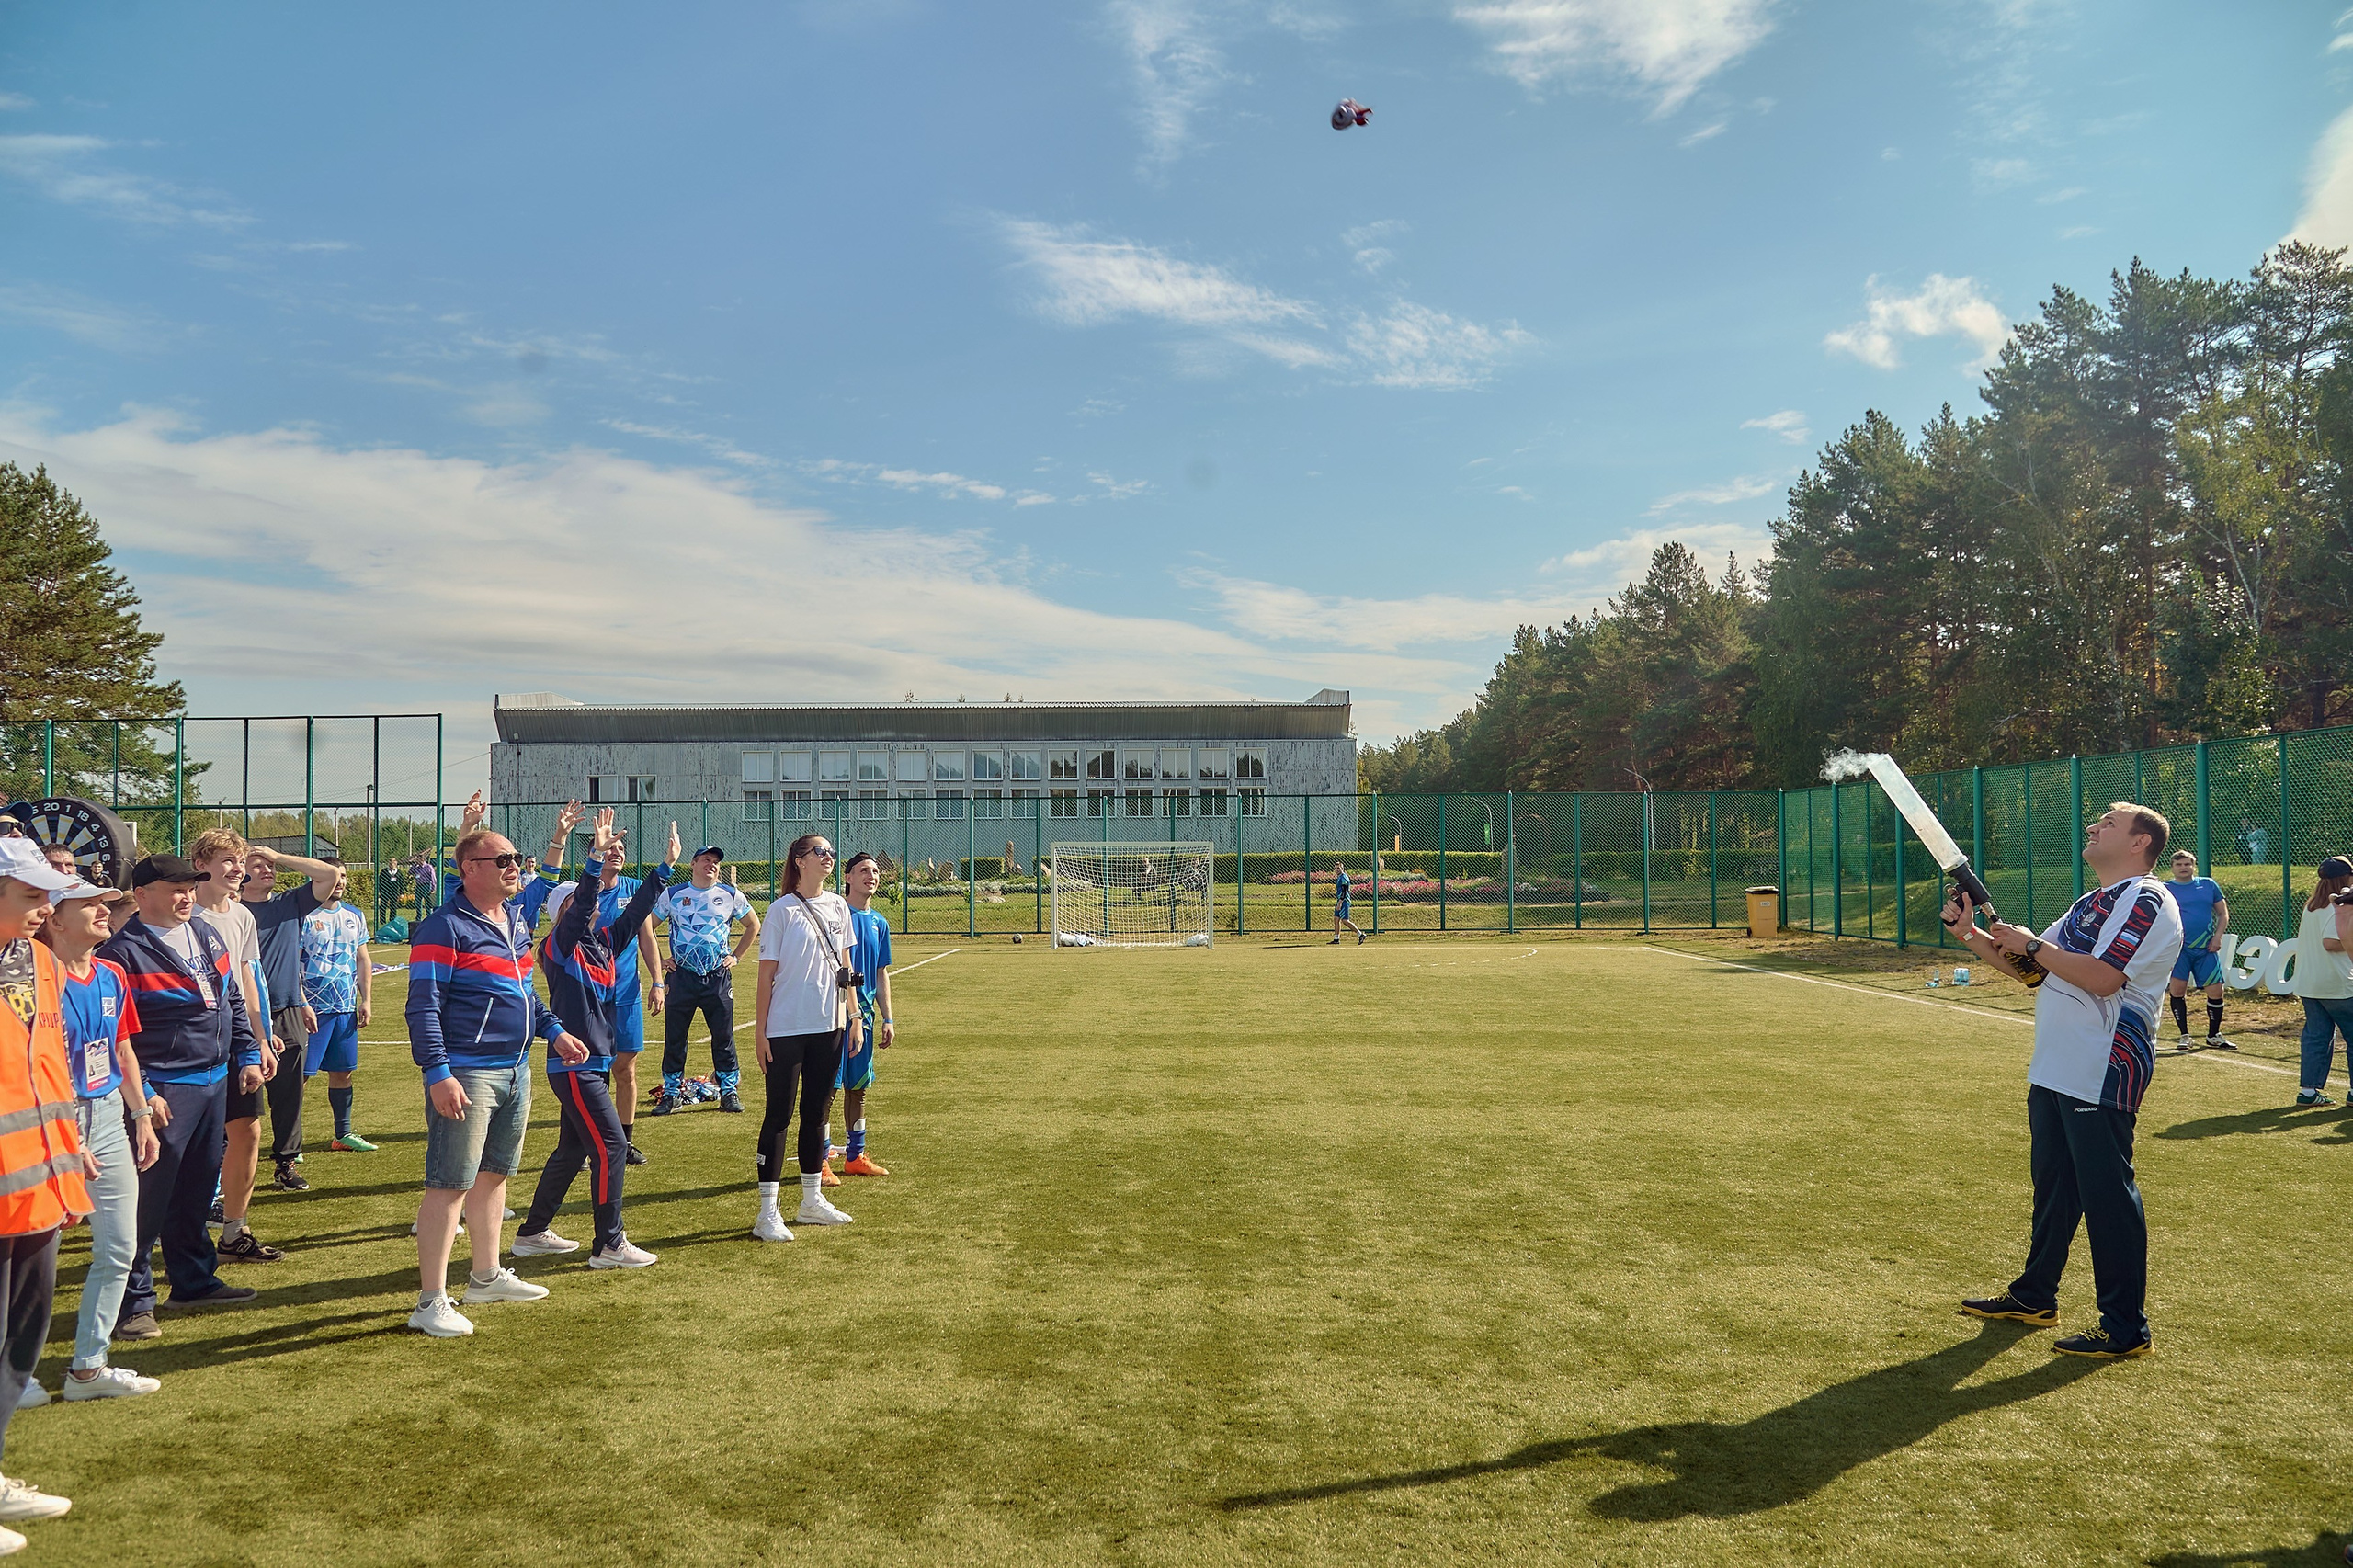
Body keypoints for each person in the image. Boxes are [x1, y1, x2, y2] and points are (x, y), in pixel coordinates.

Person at [1946, 802, 2182, 1360]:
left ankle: (2125, 1328)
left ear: (2138, 844)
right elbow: (2034, 972)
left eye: (2109, 823)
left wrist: (2032, 943)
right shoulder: (2091, 902)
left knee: (2107, 1197)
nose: (2094, 826)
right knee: (2055, 1189)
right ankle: (2035, 1296)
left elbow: (2102, 979)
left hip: (2103, 1065)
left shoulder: (2147, 899)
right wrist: (1974, 936)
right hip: (2057, 1063)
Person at [405, 824, 586, 1338]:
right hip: (467, 1069)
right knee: (450, 1184)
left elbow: (524, 990)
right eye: (503, 859)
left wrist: (552, 1030)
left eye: (516, 857)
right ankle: (430, 1300)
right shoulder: (444, 927)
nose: (514, 866)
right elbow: (423, 1005)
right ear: (468, 869)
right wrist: (438, 1072)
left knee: (494, 1175)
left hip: (515, 1067)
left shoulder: (513, 920)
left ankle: (485, 1276)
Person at [97, 855, 263, 1339]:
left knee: (194, 1192)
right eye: (175, 888)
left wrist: (248, 1052)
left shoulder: (207, 934)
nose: (187, 896)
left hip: (213, 1082)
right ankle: (133, 1303)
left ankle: (192, 1281)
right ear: (142, 894)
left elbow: (230, 997)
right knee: (145, 1202)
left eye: (190, 887)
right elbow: (115, 1036)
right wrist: (143, 1091)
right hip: (164, 1088)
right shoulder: (120, 953)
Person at [514, 812, 674, 1269]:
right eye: (582, 904)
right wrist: (591, 861)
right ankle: (609, 1244)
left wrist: (664, 868)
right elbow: (582, 903)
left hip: (593, 1064)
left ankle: (531, 1232)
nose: (595, 905)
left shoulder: (601, 943)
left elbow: (637, 912)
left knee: (572, 1149)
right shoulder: (557, 947)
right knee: (611, 1146)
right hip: (574, 1065)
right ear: (563, 911)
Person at [28, 873, 160, 1404]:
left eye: (106, 904)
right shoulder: (34, 982)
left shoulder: (110, 973)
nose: (105, 912)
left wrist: (142, 1114)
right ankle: (13, 1374)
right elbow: (37, 1067)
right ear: (56, 921)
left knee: (120, 1246)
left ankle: (88, 1366)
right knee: (36, 1256)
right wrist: (67, 1133)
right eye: (90, 906)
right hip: (50, 1118)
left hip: (108, 1115)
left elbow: (123, 1049)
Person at [0, 839, 94, 1543]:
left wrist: (75, 1143)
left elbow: (48, 1063)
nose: (46, 906)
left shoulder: (40, 963)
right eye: (32, 894)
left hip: (41, 1182)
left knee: (22, 1337)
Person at [184, 829, 286, 1266]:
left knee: (247, 1129)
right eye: (227, 859)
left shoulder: (242, 916)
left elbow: (248, 981)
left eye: (240, 860)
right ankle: (172, 1231)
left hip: (236, 1039)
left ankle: (234, 1231)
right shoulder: (183, 914)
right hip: (189, 1044)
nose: (237, 868)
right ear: (200, 865)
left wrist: (259, 1040)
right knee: (187, 1142)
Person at [751, 834, 857, 1241]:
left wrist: (854, 1016)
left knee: (817, 1114)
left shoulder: (838, 907)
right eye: (821, 852)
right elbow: (766, 975)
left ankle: (811, 1201)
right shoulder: (780, 910)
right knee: (778, 1115)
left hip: (828, 1025)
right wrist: (760, 1032)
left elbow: (846, 966)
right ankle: (767, 1213)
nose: (829, 857)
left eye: (831, 852)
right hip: (785, 1028)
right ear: (799, 861)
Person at [237, 845, 344, 1190]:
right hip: (242, 1014)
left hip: (287, 1010)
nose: (268, 870)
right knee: (241, 1101)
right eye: (259, 865)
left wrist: (278, 856)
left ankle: (286, 1162)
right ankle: (225, 1177)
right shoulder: (230, 911)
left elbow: (329, 874)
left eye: (271, 866)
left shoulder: (288, 904)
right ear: (241, 873)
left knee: (288, 1095)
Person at [650, 845, 759, 1117]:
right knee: (675, 1037)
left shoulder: (730, 894)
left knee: (723, 1036)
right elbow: (647, 927)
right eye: (706, 860)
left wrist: (735, 956)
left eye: (716, 862)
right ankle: (671, 1093)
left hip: (717, 978)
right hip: (682, 977)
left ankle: (728, 1091)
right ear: (693, 864)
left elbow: (753, 925)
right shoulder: (673, 894)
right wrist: (661, 960)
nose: (711, 865)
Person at [299, 864, 376, 1149]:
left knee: (343, 1071)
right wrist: (302, 1002)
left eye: (343, 876)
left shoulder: (354, 915)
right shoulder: (303, 916)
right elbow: (292, 962)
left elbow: (362, 958)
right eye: (333, 876)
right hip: (311, 1010)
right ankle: (292, 1142)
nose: (339, 881)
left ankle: (342, 1135)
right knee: (301, 1077)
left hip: (344, 1008)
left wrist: (365, 999)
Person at [833, 853, 894, 1178]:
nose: (871, 875)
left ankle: (855, 1156)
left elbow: (880, 972)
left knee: (858, 1087)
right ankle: (821, 1160)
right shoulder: (835, 913)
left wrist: (888, 1018)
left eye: (875, 871)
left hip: (865, 1017)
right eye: (863, 871)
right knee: (828, 1087)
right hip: (832, 1012)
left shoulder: (879, 922)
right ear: (848, 878)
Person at [2293, 857, 2353, 1109]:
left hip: (2310, 982)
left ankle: (2308, 1091)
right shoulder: (2337, 906)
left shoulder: (2312, 905)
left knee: (2316, 1036)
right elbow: (2330, 942)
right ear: (2346, 878)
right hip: (2337, 984)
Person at [2162, 848, 2231, 1051]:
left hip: (2206, 948)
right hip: (2179, 949)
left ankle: (2213, 1035)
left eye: (2187, 864)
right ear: (2172, 867)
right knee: (2177, 990)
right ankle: (2184, 1035)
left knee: (2216, 991)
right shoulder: (2165, 888)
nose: (2184, 868)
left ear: (2194, 866)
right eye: (2179, 864)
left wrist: (2218, 937)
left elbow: (2223, 914)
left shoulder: (2208, 885)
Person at [1328, 859, 1365, 945]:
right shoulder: (1340, 877)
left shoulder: (1344, 877)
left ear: (1342, 868)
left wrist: (1340, 902)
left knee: (1345, 921)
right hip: (1339, 901)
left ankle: (1360, 934)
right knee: (1336, 919)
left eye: (1338, 868)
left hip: (1344, 901)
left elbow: (1344, 891)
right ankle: (1336, 939)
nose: (1337, 870)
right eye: (1335, 868)